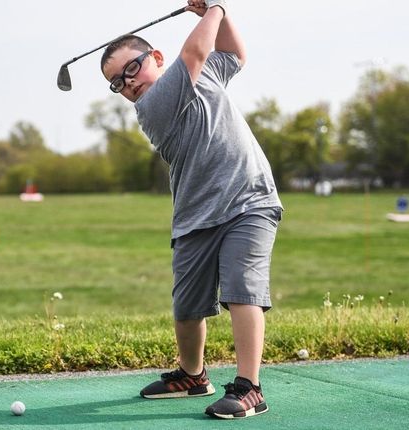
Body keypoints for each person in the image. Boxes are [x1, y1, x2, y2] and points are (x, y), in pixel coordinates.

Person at [99, 0, 283, 419]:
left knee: (242, 289)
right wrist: (215, 7)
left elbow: (234, 55)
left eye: (132, 69)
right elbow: (195, 53)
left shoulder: (205, 77)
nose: (127, 83)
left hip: (249, 200)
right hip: (196, 213)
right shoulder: (153, 105)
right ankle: (192, 374)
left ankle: (249, 387)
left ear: (155, 58)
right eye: (116, 83)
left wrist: (218, 16)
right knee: (187, 306)